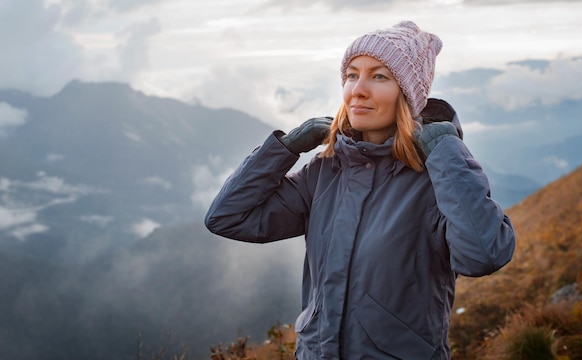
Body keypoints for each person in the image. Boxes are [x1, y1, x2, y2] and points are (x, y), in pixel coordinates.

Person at [205, 21, 515, 360]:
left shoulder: (436, 180)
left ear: (408, 95)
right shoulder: (325, 172)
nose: (358, 89)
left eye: (379, 76)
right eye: (352, 75)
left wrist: (447, 154)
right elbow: (227, 217)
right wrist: (286, 147)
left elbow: (483, 255)